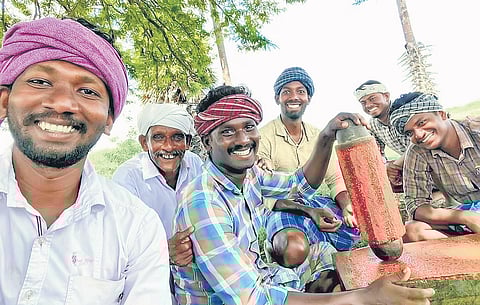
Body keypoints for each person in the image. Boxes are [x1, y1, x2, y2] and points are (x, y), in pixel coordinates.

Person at [171, 85, 434, 305]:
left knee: (327, 266)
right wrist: (364, 297)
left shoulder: (248, 176)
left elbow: (300, 184)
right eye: (227, 132)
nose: (243, 139)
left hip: (260, 279)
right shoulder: (203, 201)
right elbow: (252, 298)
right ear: (207, 142)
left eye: (249, 127)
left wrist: (327, 136)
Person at [0, 17, 171, 304]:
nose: (63, 103)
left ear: (108, 120)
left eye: (87, 91)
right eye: (40, 82)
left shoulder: (136, 226)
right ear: (4, 101)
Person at [257, 67, 359, 270]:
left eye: (300, 91)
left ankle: (320, 258)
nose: (293, 96)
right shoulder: (263, 136)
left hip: (316, 203)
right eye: (286, 91)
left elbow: (335, 179)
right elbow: (266, 194)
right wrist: (309, 211)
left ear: (308, 98)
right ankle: (283, 255)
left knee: (355, 230)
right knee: (292, 248)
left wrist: (347, 206)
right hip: (280, 207)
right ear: (277, 98)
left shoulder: (316, 135)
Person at [113, 103, 201, 258]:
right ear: (144, 143)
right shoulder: (128, 178)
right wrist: (164, 252)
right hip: (147, 271)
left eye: (177, 137)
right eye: (159, 137)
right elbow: (120, 244)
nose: (168, 147)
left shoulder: (195, 165)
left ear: (187, 142)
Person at [390, 92, 480, 242]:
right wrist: (466, 218)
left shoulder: (476, 131)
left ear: (442, 114)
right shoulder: (417, 152)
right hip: (469, 213)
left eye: (421, 123)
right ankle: (468, 256)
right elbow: (416, 206)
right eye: (409, 132)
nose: (418, 135)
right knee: (412, 230)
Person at [353, 80, 411, 192]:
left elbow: (420, 145)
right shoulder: (373, 125)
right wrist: (385, 167)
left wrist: (395, 165)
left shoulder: (403, 112)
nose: (368, 105)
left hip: (433, 159)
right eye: (363, 103)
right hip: (408, 166)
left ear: (386, 96)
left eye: (372, 98)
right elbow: (377, 154)